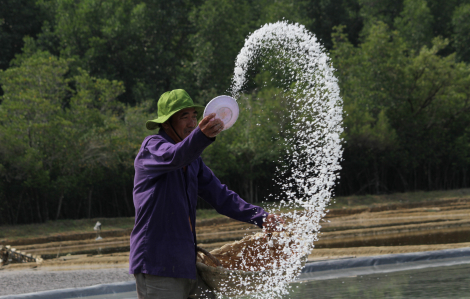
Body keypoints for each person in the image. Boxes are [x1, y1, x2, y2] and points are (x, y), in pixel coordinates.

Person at [129, 89, 283, 299]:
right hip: (158, 265)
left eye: (194, 116)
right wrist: (201, 136)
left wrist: (262, 217)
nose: (192, 123)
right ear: (166, 123)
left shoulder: (194, 162)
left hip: (187, 265)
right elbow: (175, 156)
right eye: (185, 117)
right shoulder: (152, 148)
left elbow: (221, 196)